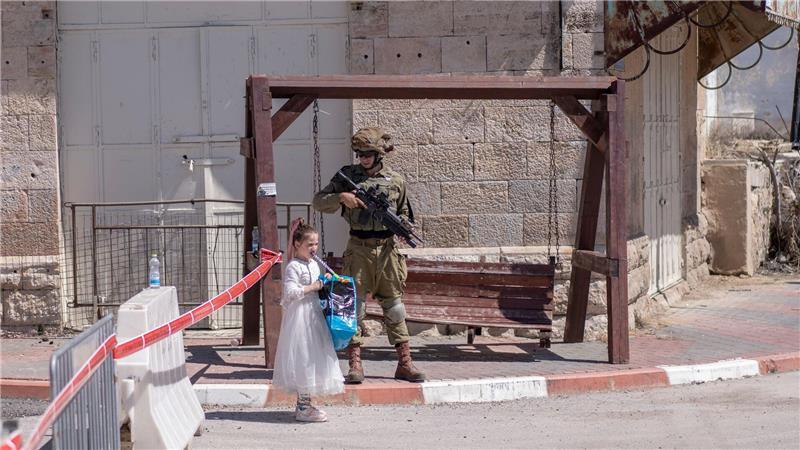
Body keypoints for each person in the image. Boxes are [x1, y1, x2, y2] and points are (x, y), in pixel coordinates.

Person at [312, 127, 426, 384]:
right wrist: (342, 197)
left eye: (368, 154)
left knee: (395, 308)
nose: (363, 158)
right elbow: (319, 202)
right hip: (359, 249)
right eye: (360, 154)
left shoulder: (395, 180)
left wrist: (404, 227)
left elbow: (407, 216)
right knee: (355, 308)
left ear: (379, 155)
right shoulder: (347, 177)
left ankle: (405, 363)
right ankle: (355, 364)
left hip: (387, 251)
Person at [272, 219, 344, 422]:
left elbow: (318, 285)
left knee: (314, 358)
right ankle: (303, 407)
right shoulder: (293, 266)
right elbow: (289, 293)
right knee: (304, 358)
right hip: (301, 318)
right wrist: (313, 286)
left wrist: (329, 283)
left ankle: (305, 404)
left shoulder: (313, 264)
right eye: (309, 244)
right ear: (297, 244)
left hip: (314, 315)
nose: (314, 248)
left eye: (316, 244)